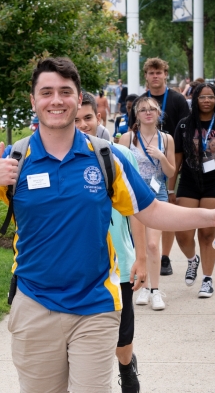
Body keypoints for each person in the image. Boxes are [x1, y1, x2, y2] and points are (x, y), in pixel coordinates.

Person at [0, 57, 215, 393]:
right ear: (33, 100)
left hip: (96, 306)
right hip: (34, 304)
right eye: (46, 92)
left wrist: (214, 215)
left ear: (78, 97)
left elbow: (153, 211)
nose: (55, 100)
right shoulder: (15, 160)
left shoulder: (105, 157)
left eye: (64, 91)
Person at [75, 91, 145, 393]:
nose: (82, 125)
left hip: (122, 264)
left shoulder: (120, 155)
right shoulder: (63, 161)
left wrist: (142, 257)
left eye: (87, 118)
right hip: (82, 265)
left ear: (98, 117)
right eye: (76, 119)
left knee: (122, 335)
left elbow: (140, 212)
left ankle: (127, 367)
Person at [169, 83, 215, 298]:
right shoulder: (183, 126)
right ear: (195, 99)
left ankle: (207, 279)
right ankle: (192, 261)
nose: (207, 100)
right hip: (189, 183)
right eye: (202, 97)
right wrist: (171, 190)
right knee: (182, 233)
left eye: (211, 97)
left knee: (208, 233)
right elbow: (177, 160)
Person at [128, 57, 191, 276]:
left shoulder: (177, 100)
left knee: (168, 206)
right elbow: (131, 132)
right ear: (146, 76)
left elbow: (185, 130)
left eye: (159, 72)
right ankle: (149, 257)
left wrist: (174, 160)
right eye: (151, 73)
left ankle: (165, 256)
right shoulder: (140, 101)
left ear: (165, 74)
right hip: (145, 162)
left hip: (172, 155)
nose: (155, 76)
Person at [120, 97, 175, 310]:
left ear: (159, 112)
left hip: (157, 193)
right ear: (136, 114)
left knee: (153, 244)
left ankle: (155, 290)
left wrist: (162, 157)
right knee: (138, 244)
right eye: (143, 110)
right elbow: (119, 167)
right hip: (134, 194)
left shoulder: (167, 139)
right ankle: (142, 286)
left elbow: (171, 172)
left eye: (152, 109)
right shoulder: (127, 138)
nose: (148, 113)